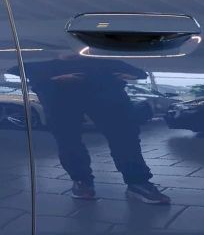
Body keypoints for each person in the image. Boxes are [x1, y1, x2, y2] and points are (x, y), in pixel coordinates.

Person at [16, 54, 170, 204]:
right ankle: (82, 181)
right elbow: (17, 65)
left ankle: (136, 182)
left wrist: (129, 73)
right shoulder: (43, 59)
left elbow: (138, 71)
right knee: (68, 138)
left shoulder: (104, 61)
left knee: (124, 135)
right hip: (59, 90)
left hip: (102, 86)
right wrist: (49, 78)